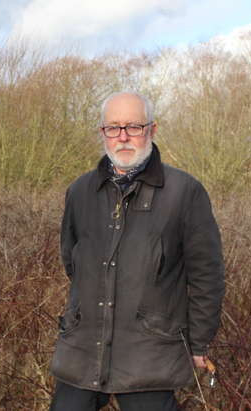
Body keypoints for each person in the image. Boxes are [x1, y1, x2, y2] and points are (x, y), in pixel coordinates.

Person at [49, 92, 225, 410]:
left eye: (134, 126)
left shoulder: (184, 192)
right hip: (83, 349)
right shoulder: (80, 191)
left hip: (151, 352)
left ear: (152, 130)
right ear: (103, 133)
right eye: (114, 128)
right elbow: (72, 261)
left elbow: (207, 276)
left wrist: (199, 341)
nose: (124, 137)